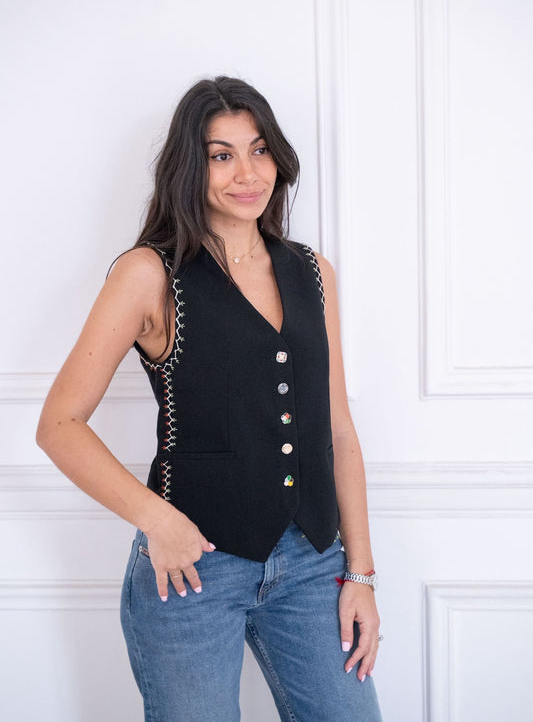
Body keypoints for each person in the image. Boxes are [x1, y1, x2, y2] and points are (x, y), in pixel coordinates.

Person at [36, 76, 383, 722]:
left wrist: (359, 573)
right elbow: (59, 422)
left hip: (312, 565)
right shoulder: (148, 274)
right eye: (221, 155)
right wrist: (157, 520)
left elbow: (337, 430)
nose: (247, 173)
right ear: (190, 169)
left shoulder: (312, 271)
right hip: (192, 568)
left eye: (259, 149)